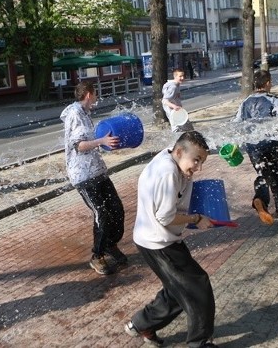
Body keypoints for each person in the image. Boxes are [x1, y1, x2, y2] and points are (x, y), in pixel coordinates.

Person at [125, 131, 218, 348]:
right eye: (196, 160)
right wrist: (196, 218)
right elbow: (165, 217)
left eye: (202, 161)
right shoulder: (168, 172)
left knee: (179, 289)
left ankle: (141, 324)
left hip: (155, 239)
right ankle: (199, 343)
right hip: (159, 243)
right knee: (198, 287)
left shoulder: (170, 159)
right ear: (178, 151)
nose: (198, 168)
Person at [60, 81, 127, 275]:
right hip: (82, 174)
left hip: (96, 170)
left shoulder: (85, 112)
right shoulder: (75, 114)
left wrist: (105, 142)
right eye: (95, 93)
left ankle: (110, 244)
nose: (97, 96)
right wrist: (102, 141)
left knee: (116, 208)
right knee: (102, 213)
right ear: (89, 94)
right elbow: (79, 145)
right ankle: (97, 256)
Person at [234, 70, 278, 222]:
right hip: (269, 144)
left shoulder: (245, 102)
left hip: (252, 146)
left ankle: (260, 200)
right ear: (267, 83)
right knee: (275, 174)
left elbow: (236, 124)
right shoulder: (273, 100)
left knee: (262, 173)